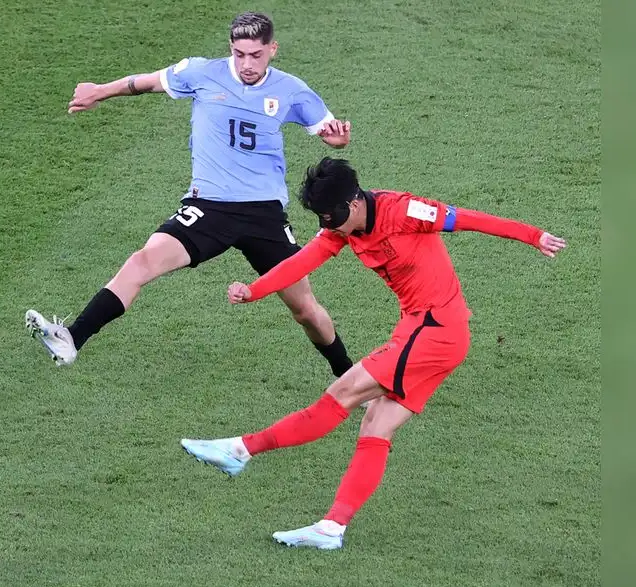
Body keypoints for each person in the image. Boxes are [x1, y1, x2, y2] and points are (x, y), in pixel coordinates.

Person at [180, 157, 567, 550]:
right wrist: (254, 290)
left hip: (434, 332)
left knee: (341, 396)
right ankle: (332, 528)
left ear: (354, 202)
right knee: (376, 427)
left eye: (330, 215)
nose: (325, 225)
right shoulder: (343, 228)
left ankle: (240, 450)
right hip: (425, 330)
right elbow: (300, 262)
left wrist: (534, 236)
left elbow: (468, 219)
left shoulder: (405, 211)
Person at [25, 12, 355, 379]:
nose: (247, 63)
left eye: (256, 55)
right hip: (208, 206)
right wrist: (99, 91)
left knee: (305, 309)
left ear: (272, 50)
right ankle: (71, 338)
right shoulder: (200, 73)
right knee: (141, 262)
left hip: (264, 213)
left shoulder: (292, 89)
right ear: (230, 48)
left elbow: (327, 129)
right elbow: (146, 83)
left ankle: (349, 378)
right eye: (239, 53)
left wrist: (336, 139)